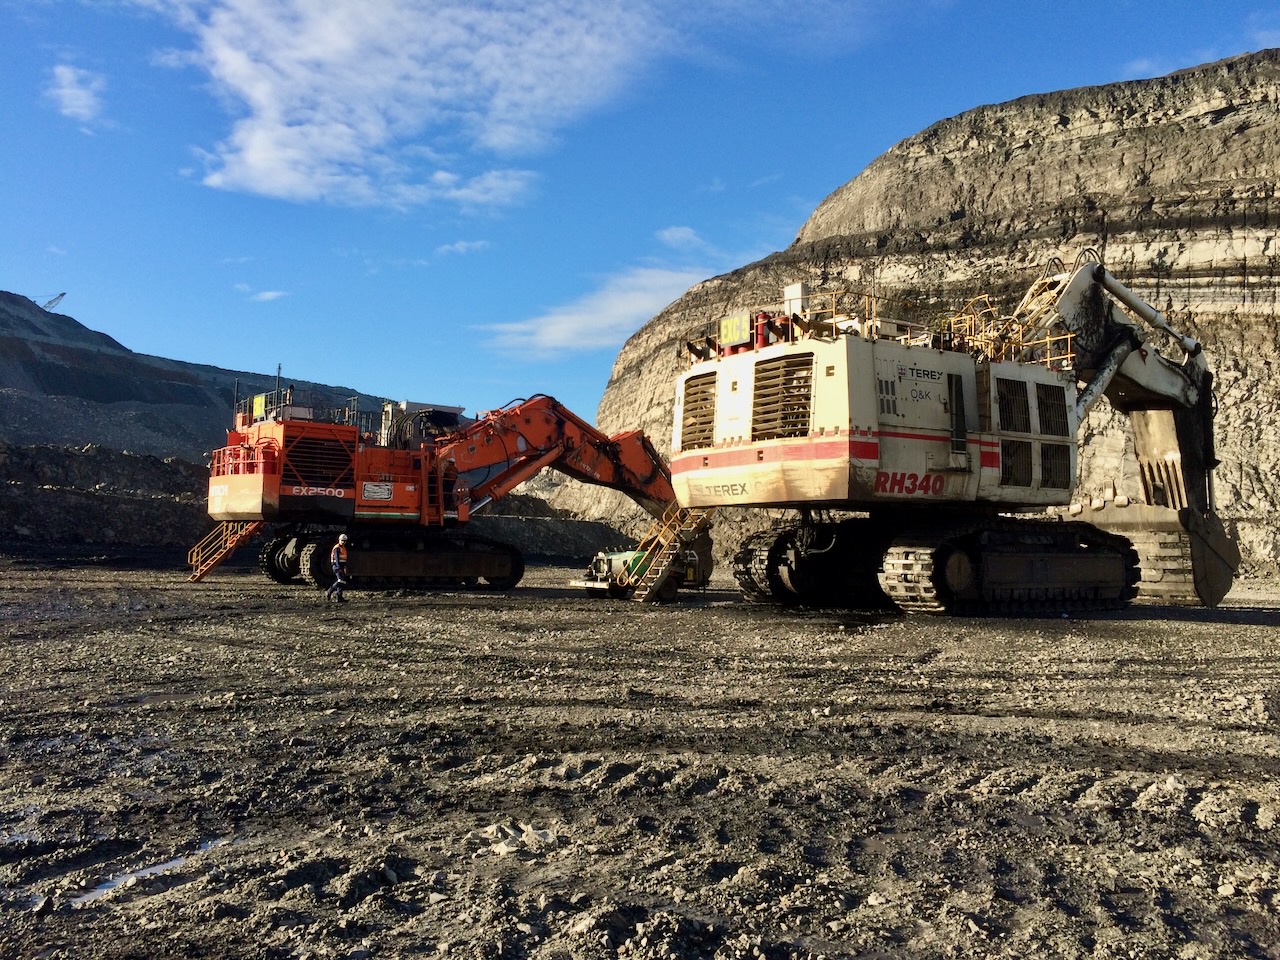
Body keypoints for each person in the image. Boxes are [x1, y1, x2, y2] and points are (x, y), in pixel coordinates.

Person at [325, 534, 350, 603]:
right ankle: (329, 591)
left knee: (343, 581)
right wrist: (338, 567)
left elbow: (344, 559)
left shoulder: (343, 548)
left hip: (341, 566)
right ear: (339, 540)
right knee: (340, 580)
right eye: (342, 540)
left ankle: (339, 597)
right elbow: (336, 558)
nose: (343, 542)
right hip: (336, 565)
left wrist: (344, 567)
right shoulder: (337, 548)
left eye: (344, 541)